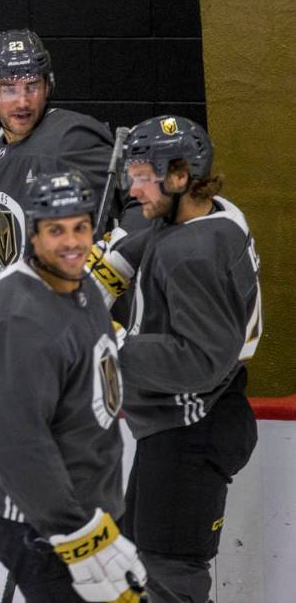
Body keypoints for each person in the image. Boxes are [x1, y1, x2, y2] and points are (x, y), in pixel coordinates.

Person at [87, 115, 261, 602]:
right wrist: (113, 265)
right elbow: (159, 239)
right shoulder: (214, 214)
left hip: (193, 429)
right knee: (142, 563)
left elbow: (199, 359)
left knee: (168, 578)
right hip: (182, 428)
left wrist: (111, 342)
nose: (132, 187)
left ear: (180, 175)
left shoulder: (195, 253)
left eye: (143, 175)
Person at [0, 169, 146, 602]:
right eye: (56, 231)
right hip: (41, 520)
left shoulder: (80, 282)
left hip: (85, 504)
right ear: (32, 236)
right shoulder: (22, 317)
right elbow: (18, 442)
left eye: (81, 227)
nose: (71, 242)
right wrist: (79, 536)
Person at [0, 29, 142, 315]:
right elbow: (5, 249)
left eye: (32, 86)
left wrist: (117, 260)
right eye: (8, 88)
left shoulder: (72, 138)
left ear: (49, 85)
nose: (22, 102)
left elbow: (146, 198)